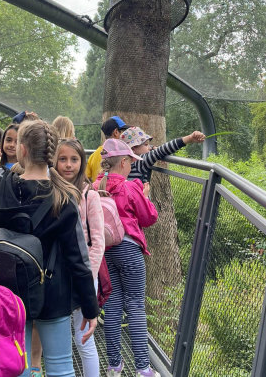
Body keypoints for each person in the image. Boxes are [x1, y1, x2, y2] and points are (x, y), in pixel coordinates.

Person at [0, 119, 99, 377]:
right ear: (52, 154)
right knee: (61, 366)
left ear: (21, 150)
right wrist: (90, 308)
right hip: (53, 293)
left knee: (16, 363)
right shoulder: (64, 199)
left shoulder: (1, 185)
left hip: (9, 292)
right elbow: (79, 259)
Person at [92, 139, 159, 377]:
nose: (132, 166)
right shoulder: (130, 187)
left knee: (112, 307)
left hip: (105, 253)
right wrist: (146, 196)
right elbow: (149, 218)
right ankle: (143, 368)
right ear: (122, 162)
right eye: (130, 161)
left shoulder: (94, 186)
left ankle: (114, 365)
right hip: (129, 251)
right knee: (136, 307)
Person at [55, 138, 105, 377]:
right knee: (59, 337)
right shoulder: (50, 193)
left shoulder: (89, 196)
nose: (68, 165)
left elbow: (98, 241)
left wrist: (88, 277)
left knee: (84, 338)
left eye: (74, 160)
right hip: (57, 274)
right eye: (62, 159)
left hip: (83, 274)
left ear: (82, 163)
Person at [120, 126, 206, 183]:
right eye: (146, 145)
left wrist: (152, 147)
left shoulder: (121, 161)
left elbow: (151, 149)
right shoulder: (139, 162)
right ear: (133, 148)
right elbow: (163, 150)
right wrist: (189, 138)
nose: (148, 147)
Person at [86, 116, 129, 182]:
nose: (125, 136)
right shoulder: (118, 155)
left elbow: (87, 178)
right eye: (123, 132)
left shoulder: (93, 156)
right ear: (116, 132)